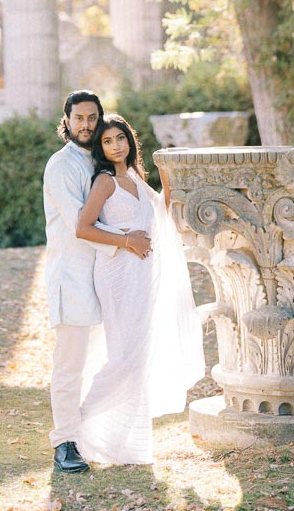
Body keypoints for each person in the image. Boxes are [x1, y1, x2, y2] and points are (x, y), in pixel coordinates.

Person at [74, 113, 205, 466]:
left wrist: (167, 174)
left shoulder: (133, 176)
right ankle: (79, 427)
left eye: (121, 138)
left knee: (139, 354)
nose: (116, 145)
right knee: (125, 354)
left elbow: (159, 213)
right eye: (108, 141)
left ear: (130, 141)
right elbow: (83, 228)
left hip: (143, 274)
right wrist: (126, 240)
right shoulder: (104, 182)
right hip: (117, 272)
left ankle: (124, 444)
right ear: (101, 148)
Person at [43, 90, 154, 474]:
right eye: (79, 119)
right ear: (68, 122)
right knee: (70, 365)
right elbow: (80, 226)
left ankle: (99, 433)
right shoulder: (61, 167)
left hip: (109, 276)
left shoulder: (101, 162)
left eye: (93, 118)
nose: (87, 125)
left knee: (108, 359)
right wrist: (126, 241)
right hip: (73, 277)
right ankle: (64, 442)